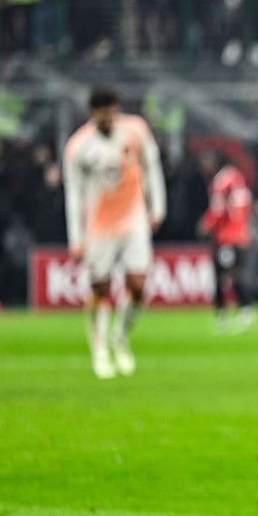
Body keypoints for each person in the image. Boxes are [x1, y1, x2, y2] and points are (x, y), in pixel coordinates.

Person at [63, 86, 167, 379]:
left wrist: (157, 207)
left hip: (133, 220)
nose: (109, 119)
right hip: (99, 228)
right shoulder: (78, 147)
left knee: (138, 286)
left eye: (112, 112)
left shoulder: (135, 131)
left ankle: (119, 337)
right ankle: (98, 348)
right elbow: (73, 194)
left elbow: (152, 165)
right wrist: (76, 238)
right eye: (102, 114)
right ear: (92, 114)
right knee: (100, 290)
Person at [197, 150, 255, 332]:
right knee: (233, 273)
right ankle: (242, 311)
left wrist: (206, 223)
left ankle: (229, 314)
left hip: (227, 237)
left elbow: (218, 209)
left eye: (207, 160)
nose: (204, 166)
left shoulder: (222, 181)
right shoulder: (237, 177)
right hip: (241, 234)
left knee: (224, 275)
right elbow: (245, 203)